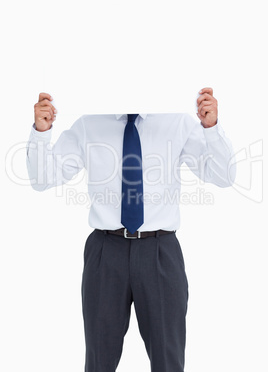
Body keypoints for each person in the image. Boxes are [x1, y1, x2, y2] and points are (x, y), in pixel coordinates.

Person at [26, 88, 236, 372]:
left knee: (168, 359)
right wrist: (41, 132)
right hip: (105, 251)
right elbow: (42, 179)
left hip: (160, 250)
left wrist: (211, 127)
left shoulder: (176, 120)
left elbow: (224, 176)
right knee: (99, 360)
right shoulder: (90, 122)